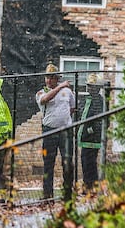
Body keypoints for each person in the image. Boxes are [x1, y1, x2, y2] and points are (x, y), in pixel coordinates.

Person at [36, 63, 75, 200]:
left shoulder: (68, 92)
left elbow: (72, 108)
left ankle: (68, 193)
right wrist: (60, 87)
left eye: (52, 77)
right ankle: (47, 194)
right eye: (47, 77)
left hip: (65, 131)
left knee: (68, 162)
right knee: (48, 163)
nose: (49, 80)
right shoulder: (41, 93)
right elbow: (46, 99)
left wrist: (63, 119)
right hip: (49, 131)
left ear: (57, 78)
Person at [78, 73, 106, 192]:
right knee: (85, 162)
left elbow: (101, 121)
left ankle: (91, 186)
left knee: (89, 163)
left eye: (91, 86)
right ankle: (88, 185)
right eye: (88, 86)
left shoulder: (99, 101)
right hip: (84, 138)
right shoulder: (87, 99)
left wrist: (90, 131)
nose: (89, 88)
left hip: (92, 139)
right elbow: (83, 114)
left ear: (97, 88)